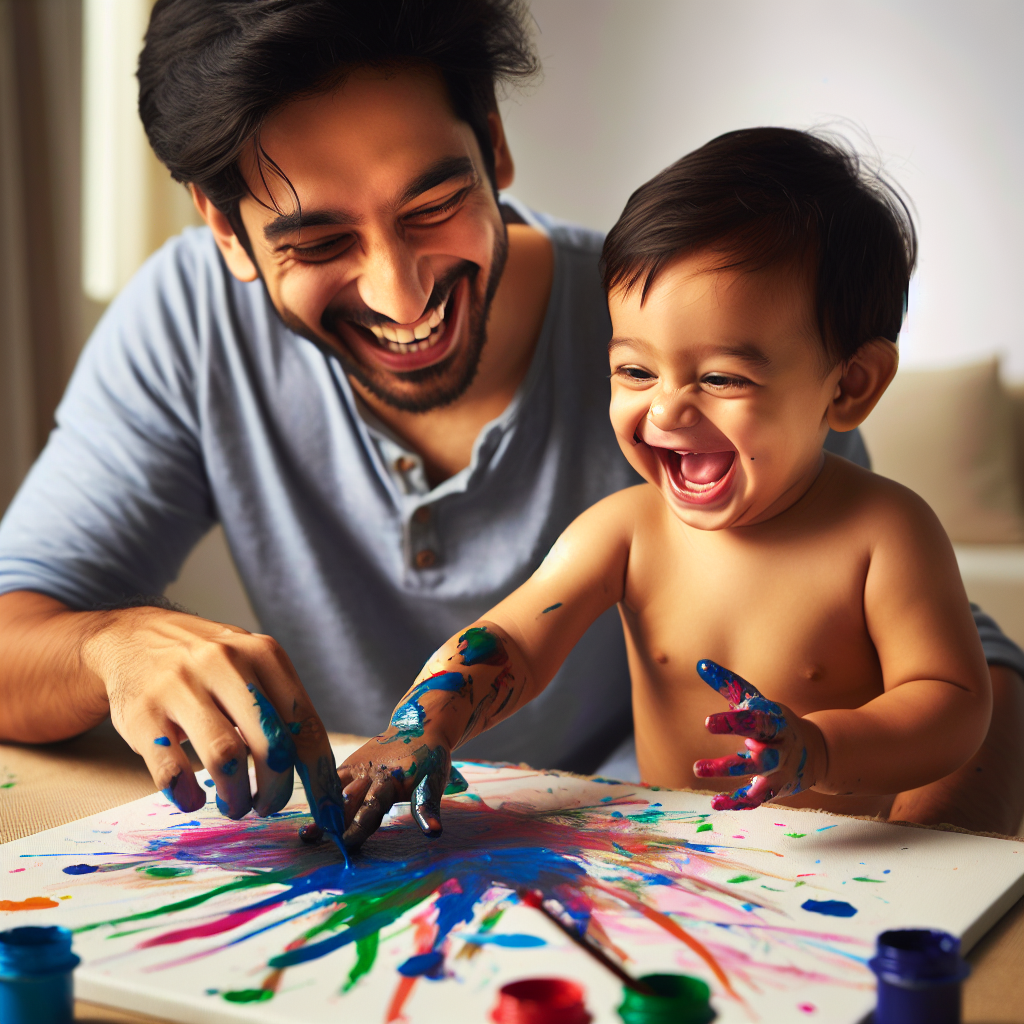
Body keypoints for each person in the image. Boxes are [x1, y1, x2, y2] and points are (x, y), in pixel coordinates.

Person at [0, 1, 1020, 840]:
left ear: (493, 140)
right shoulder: (184, 325)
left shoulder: (725, 321)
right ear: (221, 227)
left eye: (430, 204)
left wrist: (924, 906)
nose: (401, 297)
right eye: (318, 238)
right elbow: (509, 643)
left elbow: (959, 678)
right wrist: (115, 646)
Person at [335, 129, 994, 846]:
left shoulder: (885, 533)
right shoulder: (625, 531)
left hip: (838, 871)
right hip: (669, 863)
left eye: (720, 378)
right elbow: (515, 644)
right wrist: (421, 722)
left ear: (850, 385)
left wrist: (822, 749)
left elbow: (952, 706)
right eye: (635, 371)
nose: (667, 410)